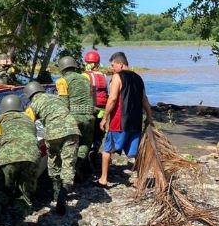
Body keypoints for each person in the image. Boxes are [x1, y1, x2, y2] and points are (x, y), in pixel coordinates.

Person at [0, 94, 40, 226]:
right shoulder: (29, 120)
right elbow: (31, 138)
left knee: (0, 192)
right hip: (31, 157)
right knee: (23, 194)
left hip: (8, 158)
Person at [97, 52, 154, 187]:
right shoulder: (139, 78)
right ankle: (140, 180)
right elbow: (144, 100)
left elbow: (113, 99)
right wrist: (150, 117)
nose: (112, 68)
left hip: (119, 121)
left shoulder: (117, 77)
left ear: (120, 64)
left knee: (107, 149)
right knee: (135, 153)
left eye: (113, 65)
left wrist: (104, 118)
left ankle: (103, 179)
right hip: (135, 121)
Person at [23, 81, 79, 214]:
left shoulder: (33, 104)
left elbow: (27, 123)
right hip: (72, 129)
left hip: (53, 133)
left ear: (29, 95)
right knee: (68, 161)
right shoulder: (57, 98)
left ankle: (56, 192)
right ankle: (64, 191)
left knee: (53, 160)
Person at [55, 56, 94, 181]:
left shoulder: (62, 81)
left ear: (62, 68)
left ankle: (71, 170)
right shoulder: (85, 78)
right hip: (89, 117)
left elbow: (64, 102)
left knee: (71, 146)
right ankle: (81, 162)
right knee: (85, 144)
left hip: (73, 118)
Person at [82, 50, 108, 172]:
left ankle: (84, 159)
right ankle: (95, 151)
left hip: (89, 110)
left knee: (87, 136)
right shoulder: (104, 76)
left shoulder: (85, 76)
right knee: (98, 135)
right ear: (97, 63)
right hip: (102, 110)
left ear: (87, 63)